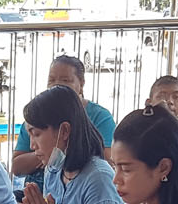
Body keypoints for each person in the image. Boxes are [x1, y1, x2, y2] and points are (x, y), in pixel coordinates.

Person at [12, 56, 117, 192]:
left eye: (65, 80)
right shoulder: (54, 171)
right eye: (51, 80)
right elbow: (17, 166)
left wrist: (57, 153)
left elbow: (107, 159)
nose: (57, 85)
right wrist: (50, 153)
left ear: (81, 84)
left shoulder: (100, 117)